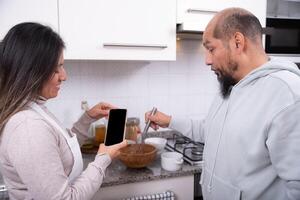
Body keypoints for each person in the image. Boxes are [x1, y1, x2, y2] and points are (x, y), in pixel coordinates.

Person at [146, 7, 300, 200]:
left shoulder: (288, 95)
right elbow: (210, 130)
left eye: (211, 48)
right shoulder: (231, 85)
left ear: (237, 42)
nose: (207, 60)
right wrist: (167, 120)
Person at [0, 22, 127, 199]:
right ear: (30, 71)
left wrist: (87, 118)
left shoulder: (33, 109)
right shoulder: (28, 127)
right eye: (55, 69)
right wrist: (102, 160)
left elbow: (61, 150)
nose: (64, 76)